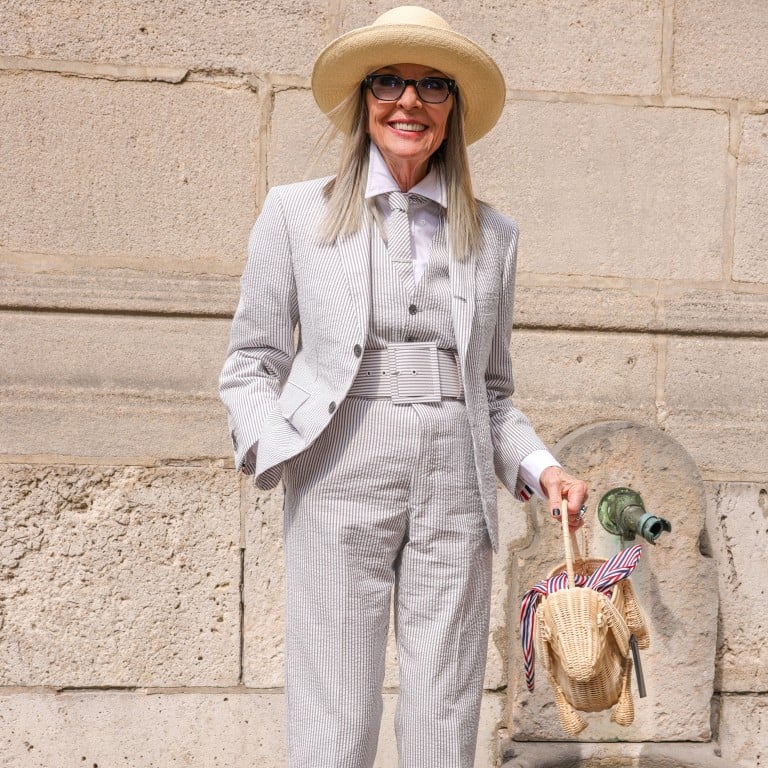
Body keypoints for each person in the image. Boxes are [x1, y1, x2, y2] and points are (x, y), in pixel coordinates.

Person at [220, 6, 588, 767]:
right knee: (333, 700)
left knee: (446, 703)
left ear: (453, 108)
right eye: (389, 81)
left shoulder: (495, 236)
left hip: (455, 471)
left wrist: (541, 467)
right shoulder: (296, 213)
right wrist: (275, 443)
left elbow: (491, 388)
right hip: (337, 464)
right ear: (365, 100)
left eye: (432, 86)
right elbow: (252, 359)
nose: (409, 102)